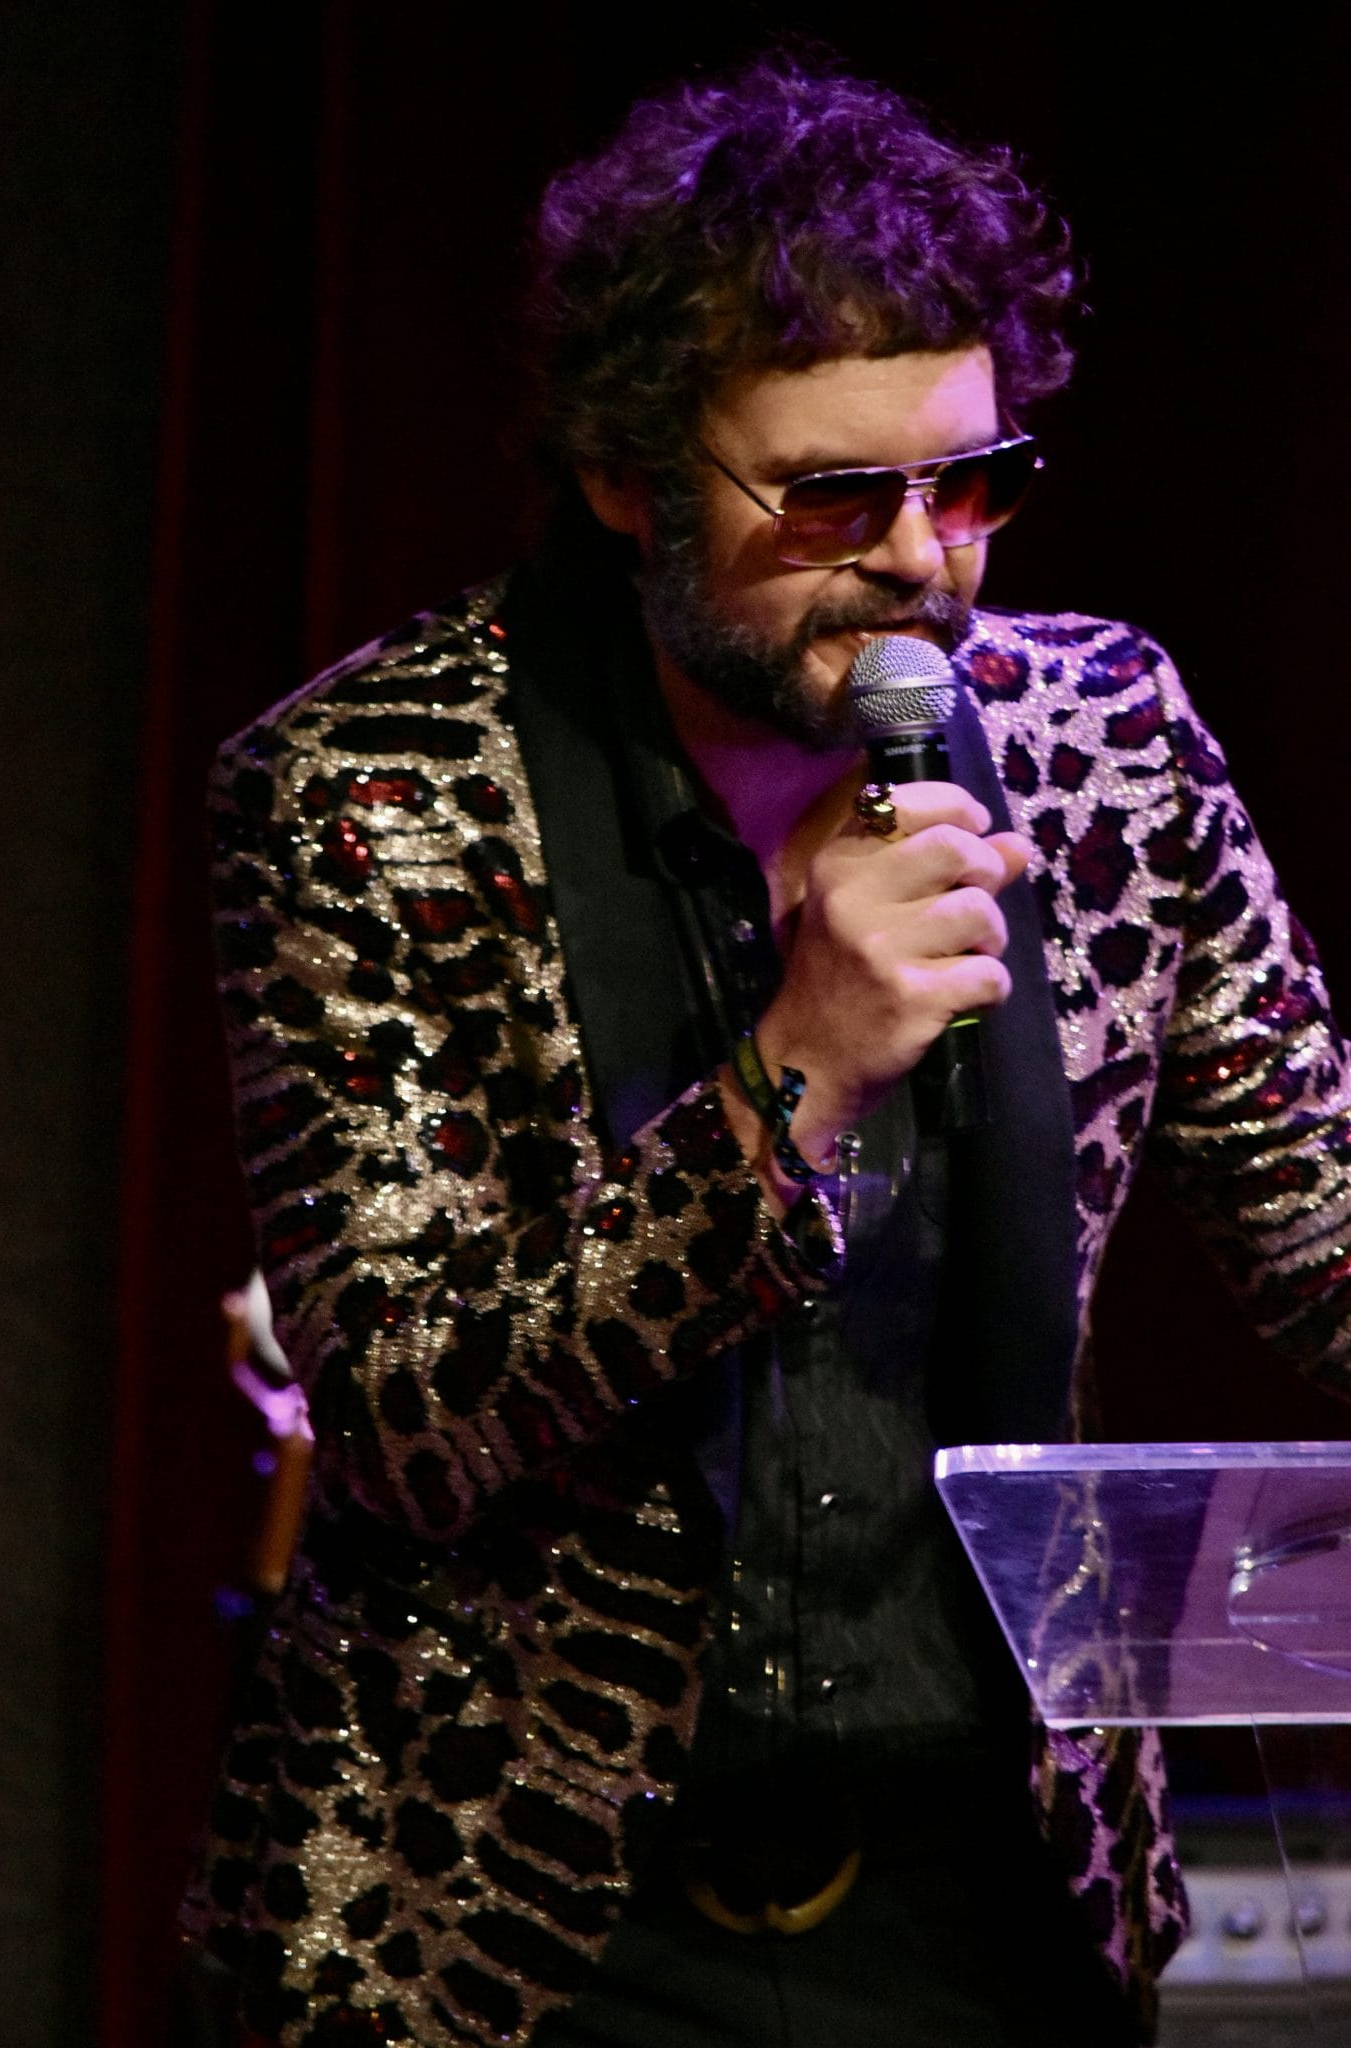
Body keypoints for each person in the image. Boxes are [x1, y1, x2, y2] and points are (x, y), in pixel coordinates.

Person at [177, 55, 1351, 2048]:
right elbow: (401, 1415)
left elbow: (1321, 1227)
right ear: (625, 476)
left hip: (985, 1907)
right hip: (508, 1940)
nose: (919, 559)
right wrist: (793, 1073)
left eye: (968, 483)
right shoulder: (365, 795)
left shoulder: (1102, 741)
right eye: (829, 496)